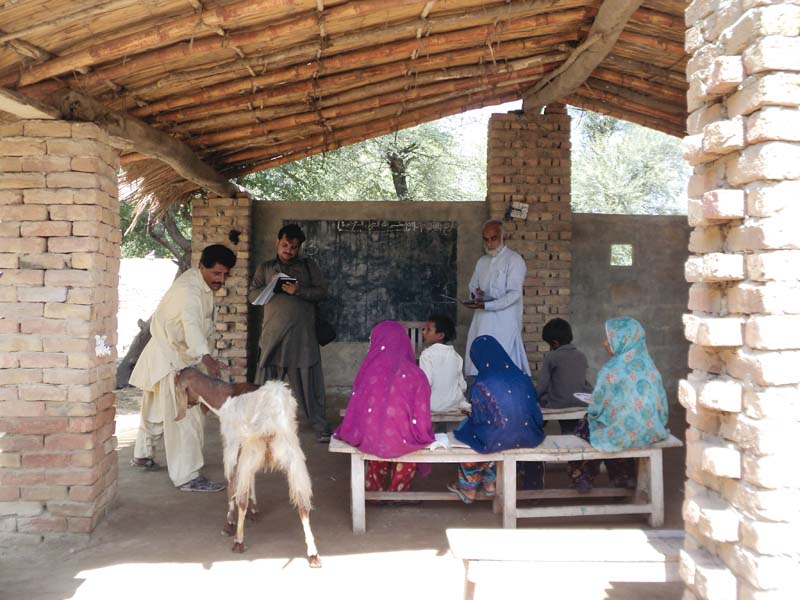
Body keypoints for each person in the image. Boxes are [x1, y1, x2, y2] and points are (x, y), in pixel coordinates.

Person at [130, 244, 236, 492]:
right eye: (216, 274)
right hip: (171, 360)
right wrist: (207, 358)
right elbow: (191, 325)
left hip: (168, 355)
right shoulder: (190, 290)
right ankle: (187, 476)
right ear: (202, 267)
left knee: (156, 411)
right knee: (185, 418)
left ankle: (142, 456)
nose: (221, 279)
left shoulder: (198, 283)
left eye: (225, 274)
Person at [248, 224, 332, 443]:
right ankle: (260, 425)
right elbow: (252, 296)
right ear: (278, 242)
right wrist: (272, 286)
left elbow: (322, 292)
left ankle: (320, 425)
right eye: (285, 245)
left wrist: (299, 290)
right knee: (266, 385)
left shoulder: (308, 266)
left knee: (310, 384)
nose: (289, 250)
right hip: (273, 337)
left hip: (302, 338)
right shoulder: (266, 268)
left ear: (299, 247)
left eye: (294, 247)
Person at [568, 317, 670, 493]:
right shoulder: (650, 367)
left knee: (588, 426)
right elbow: (661, 406)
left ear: (624, 339)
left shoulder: (612, 369)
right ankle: (623, 477)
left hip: (626, 432)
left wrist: (594, 412)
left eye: (609, 338)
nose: (605, 343)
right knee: (615, 424)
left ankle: (582, 475)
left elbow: (597, 407)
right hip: (652, 430)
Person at [334, 321, 435, 492]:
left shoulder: (368, 372)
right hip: (405, 440)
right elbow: (423, 415)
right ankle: (400, 489)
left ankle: (375, 487)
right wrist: (422, 434)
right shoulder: (416, 374)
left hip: (373, 440)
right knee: (406, 441)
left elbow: (357, 411)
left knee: (375, 433)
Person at [447, 335, 545, 503]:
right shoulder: (522, 376)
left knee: (465, 432)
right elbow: (533, 409)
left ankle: (468, 487)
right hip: (530, 435)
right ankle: (489, 482)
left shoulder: (482, 382)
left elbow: (479, 419)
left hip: (498, 438)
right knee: (493, 431)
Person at [463, 220, 529, 377]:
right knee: (479, 363)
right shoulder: (482, 261)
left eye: (493, 238)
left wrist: (487, 306)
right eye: (486, 239)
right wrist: (476, 294)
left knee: (503, 365)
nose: (489, 243)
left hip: (503, 323)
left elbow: (514, 294)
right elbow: (472, 286)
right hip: (482, 321)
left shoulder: (514, 260)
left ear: (503, 237)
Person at [537, 317, 593, 434]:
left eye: (549, 345)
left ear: (555, 343)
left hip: (558, 402)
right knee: (569, 425)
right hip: (581, 401)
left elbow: (542, 385)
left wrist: (533, 398)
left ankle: (538, 429)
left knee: (541, 400)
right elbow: (582, 380)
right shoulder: (581, 355)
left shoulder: (551, 357)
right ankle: (569, 432)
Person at [419, 313, 469, 415]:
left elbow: (426, 382)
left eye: (428, 329)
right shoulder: (456, 356)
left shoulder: (426, 355)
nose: (423, 332)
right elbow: (463, 386)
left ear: (440, 335)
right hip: (454, 404)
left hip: (432, 405)